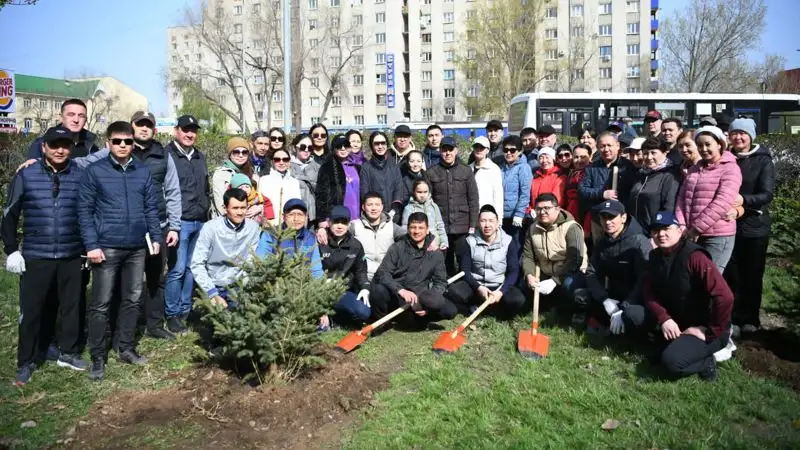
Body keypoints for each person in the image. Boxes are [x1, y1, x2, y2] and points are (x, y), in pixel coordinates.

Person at [79, 121, 163, 381]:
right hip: (107, 247)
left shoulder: (142, 171)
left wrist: (156, 237)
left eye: (127, 141)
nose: (123, 146)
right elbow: (85, 211)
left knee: (132, 299)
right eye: (117, 141)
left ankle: (125, 347)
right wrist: (92, 245)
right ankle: (97, 357)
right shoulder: (95, 171)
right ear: (108, 143)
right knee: (101, 303)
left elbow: (151, 207)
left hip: (137, 246)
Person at [3, 127, 87, 386]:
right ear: (43, 147)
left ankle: (68, 352)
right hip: (36, 255)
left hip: (71, 254)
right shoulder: (26, 175)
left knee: (71, 307)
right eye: (54, 145)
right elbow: (9, 215)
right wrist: (12, 249)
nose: (60, 150)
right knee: (32, 311)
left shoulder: (80, 175)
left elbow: (87, 214)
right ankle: (26, 361)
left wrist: (87, 246)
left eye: (65, 145)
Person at [643, 211, 733, 382]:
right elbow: (649, 293)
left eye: (667, 228)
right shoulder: (655, 256)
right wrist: (664, 319)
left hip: (705, 329)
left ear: (680, 231)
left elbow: (725, 296)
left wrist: (710, 331)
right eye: (656, 230)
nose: (661, 234)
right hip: (680, 323)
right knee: (652, 355)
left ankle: (706, 362)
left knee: (671, 363)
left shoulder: (695, 257)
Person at [725, 118, 775, 336]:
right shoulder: (727, 158)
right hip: (729, 224)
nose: (738, 137)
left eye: (743, 134)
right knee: (732, 274)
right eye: (734, 133)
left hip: (754, 227)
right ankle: (734, 317)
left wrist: (742, 200)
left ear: (751, 136)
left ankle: (751, 318)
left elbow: (766, 194)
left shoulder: (763, 160)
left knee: (752, 274)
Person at [165, 115, 210, 333]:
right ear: (176, 131)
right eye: (185, 130)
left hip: (199, 221)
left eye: (193, 130)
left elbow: (205, 187)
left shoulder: (200, 156)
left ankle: (185, 309)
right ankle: (172, 313)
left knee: (193, 269)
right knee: (177, 269)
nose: (190, 134)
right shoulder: (168, 155)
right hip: (180, 221)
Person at [676, 126, 742, 273]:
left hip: (717, 235)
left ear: (719, 144)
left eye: (708, 144)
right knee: (691, 277)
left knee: (709, 279)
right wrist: (681, 224)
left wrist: (697, 228)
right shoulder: (695, 169)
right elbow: (682, 198)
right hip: (690, 233)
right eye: (700, 145)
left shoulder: (730, 168)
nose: (703, 149)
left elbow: (722, 202)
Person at [370, 212, 457, 323]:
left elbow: (440, 282)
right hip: (398, 296)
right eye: (413, 227)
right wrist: (400, 290)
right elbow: (383, 273)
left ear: (427, 230)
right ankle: (385, 322)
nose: (416, 231)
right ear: (407, 228)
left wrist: (429, 304)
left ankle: (418, 317)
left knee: (449, 310)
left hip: (420, 298)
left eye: (421, 228)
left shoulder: (435, 253)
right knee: (378, 290)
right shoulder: (397, 247)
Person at [583, 200, 653, 335]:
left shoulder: (639, 242)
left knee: (631, 316)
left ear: (624, 218)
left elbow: (645, 279)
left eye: (611, 217)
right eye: (604, 217)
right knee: (582, 295)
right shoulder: (602, 243)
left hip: (635, 299)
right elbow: (591, 272)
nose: (607, 222)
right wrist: (604, 299)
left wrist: (624, 307)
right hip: (612, 297)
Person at [447, 205, 525, 319]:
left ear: (498, 222)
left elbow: (513, 271)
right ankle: (475, 306)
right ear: (478, 223)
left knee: (517, 300)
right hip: (476, 286)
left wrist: (501, 292)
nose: (487, 225)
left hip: (498, 286)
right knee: (453, 291)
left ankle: (493, 308)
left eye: (491, 221)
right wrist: (478, 287)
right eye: (483, 221)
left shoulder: (508, 241)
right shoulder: (469, 241)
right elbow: (465, 270)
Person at [189, 188, 261, 309]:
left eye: (243, 208)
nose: (239, 212)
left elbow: (251, 260)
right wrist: (211, 292)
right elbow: (197, 263)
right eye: (235, 208)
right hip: (213, 284)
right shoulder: (211, 228)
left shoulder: (253, 228)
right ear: (225, 208)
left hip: (238, 285)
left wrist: (244, 286)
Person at [522, 193, 588, 316]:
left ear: (557, 209)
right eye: (538, 209)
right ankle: (549, 306)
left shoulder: (571, 227)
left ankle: (576, 311)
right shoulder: (532, 228)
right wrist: (529, 275)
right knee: (523, 284)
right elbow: (528, 256)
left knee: (569, 285)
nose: (542, 212)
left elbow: (575, 260)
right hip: (546, 272)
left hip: (570, 273)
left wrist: (555, 280)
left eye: (547, 208)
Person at [428, 136, 480, 276]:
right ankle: (446, 290)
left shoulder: (466, 171)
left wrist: (473, 224)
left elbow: (473, 199)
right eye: (444, 150)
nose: (447, 153)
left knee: (464, 262)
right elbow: (429, 201)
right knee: (445, 263)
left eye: (450, 150)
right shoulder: (432, 172)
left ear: (456, 151)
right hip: (442, 227)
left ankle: (465, 289)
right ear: (440, 151)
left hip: (462, 226)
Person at [579, 131, 637, 244]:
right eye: (602, 146)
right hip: (599, 220)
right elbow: (582, 190)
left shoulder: (628, 167)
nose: (606, 149)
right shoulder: (592, 168)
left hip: (621, 220)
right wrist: (602, 193)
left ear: (617, 146)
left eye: (609, 145)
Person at [319, 206, 372, 326]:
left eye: (344, 222)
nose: (339, 226)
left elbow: (361, 270)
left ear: (349, 224)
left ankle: (336, 319)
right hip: (319, 290)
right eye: (336, 222)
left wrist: (365, 287)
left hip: (342, 290)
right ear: (328, 223)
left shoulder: (356, 245)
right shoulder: (320, 241)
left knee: (363, 312)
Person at [256, 198, 323, 278]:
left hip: (302, 285)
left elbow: (316, 269)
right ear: (283, 216)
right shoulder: (271, 234)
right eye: (291, 214)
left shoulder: (310, 238)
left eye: (300, 214)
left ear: (306, 217)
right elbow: (261, 262)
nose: (296, 219)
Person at [627, 137, 680, 233]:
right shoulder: (641, 174)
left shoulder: (670, 175)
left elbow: (668, 207)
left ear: (664, 153)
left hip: (655, 232)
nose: (649, 157)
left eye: (653, 153)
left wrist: (659, 231)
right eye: (646, 153)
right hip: (636, 230)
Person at [350, 192, 406, 281]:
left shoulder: (391, 226)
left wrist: (430, 240)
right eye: (370, 205)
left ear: (382, 207)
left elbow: (412, 235)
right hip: (361, 277)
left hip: (385, 277)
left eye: (377, 205)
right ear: (363, 207)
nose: (374, 208)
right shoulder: (354, 226)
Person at [316, 136, 361, 241]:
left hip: (355, 217)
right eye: (339, 146)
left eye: (346, 145)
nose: (343, 148)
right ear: (333, 148)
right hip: (337, 217)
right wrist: (322, 219)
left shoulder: (356, 166)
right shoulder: (327, 167)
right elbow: (321, 194)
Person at [27, 98, 99, 159]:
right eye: (71, 114)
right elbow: (33, 171)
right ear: (61, 117)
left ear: (85, 120)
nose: (76, 120)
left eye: (81, 116)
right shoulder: (42, 143)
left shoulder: (91, 146)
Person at [360, 131, 404, 221]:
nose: (380, 146)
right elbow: (364, 191)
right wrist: (374, 209)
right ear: (372, 146)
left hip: (393, 215)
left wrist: (394, 209)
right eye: (376, 144)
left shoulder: (394, 166)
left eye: (383, 143)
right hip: (374, 216)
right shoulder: (366, 167)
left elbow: (399, 188)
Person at [499, 134, 533, 250]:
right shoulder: (502, 168)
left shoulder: (524, 168)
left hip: (515, 218)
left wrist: (519, 214)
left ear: (519, 151)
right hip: (502, 216)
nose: (509, 153)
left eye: (512, 150)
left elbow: (525, 193)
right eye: (506, 150)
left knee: (516, 248)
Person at [211, 137, 255, 217]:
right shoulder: (221, 174)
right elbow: (221, 206)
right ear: (230, 154)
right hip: (228, 221)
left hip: (250, 222)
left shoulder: (251, 171)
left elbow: (258, 197)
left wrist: (259, 208)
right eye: (236, 152)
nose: (241, 155)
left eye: (244, 152)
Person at [258, 148, 302, 226]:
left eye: (285, 159)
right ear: (272, 162)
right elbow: (260, 202)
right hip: (269, 225)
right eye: (277, 159)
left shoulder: (294, 182)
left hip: (289, 226)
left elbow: (297, 205)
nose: (281, 162)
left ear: (289, 162)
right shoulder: (263, 180)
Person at [402, 179, 448, 250]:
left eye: (425, 192)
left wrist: (444, 242)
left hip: (435, 246)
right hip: (416, 248)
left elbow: (440, 226)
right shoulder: (409, 209)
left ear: (429, 192)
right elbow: (405, 229)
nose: (422, 195)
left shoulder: (434, 207)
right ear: (414, 192)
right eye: (419, 192)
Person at [290, 133, 321, 225]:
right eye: (303, 147)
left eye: (310, 148)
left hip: (312, 217)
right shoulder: (286, 165)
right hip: (292, 215)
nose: (306, 150)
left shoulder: (318, 167)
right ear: (295, 147)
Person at [564, 144, 593, 240]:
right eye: (576, 157)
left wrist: (587, 228)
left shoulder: (592, 173)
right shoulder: (572, 173)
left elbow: (591, 203)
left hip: (585, 217)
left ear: (590, 156)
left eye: (582, 157)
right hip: (572, 215)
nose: (579, 160)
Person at [469, 136, 504, 215]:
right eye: (476, 147)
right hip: (470, 214)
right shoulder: (468, 169)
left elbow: (498, 196)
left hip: (487, 214)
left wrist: (498, 218)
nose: (478, 150)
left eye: (482, 147)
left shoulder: (493, 169)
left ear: (487, 150)